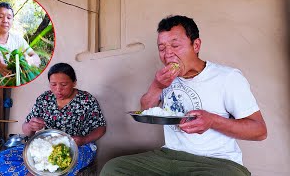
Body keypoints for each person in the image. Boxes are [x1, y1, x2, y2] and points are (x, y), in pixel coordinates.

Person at [100, 15, 267, 176]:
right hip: (169, 155)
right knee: (114, 169)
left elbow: (259, 131)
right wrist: (157, 86)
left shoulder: (227, 78)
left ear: (196, 45)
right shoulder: (165, 78)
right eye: (162, 48)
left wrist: (213, 121)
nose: (168, 54)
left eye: (175, 45)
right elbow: (146, 110)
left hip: (217, 161)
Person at [0, 63, 107, 175]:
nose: (58, 89)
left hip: (79, 147)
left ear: (74, 82)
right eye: (53, 85)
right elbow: (26, 130)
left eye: (64, 85)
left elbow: (101, 127)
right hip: (46, 146)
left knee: (55, 169)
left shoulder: (86, 100)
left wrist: (84, 139)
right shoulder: (45, 99)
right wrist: (30, 126)